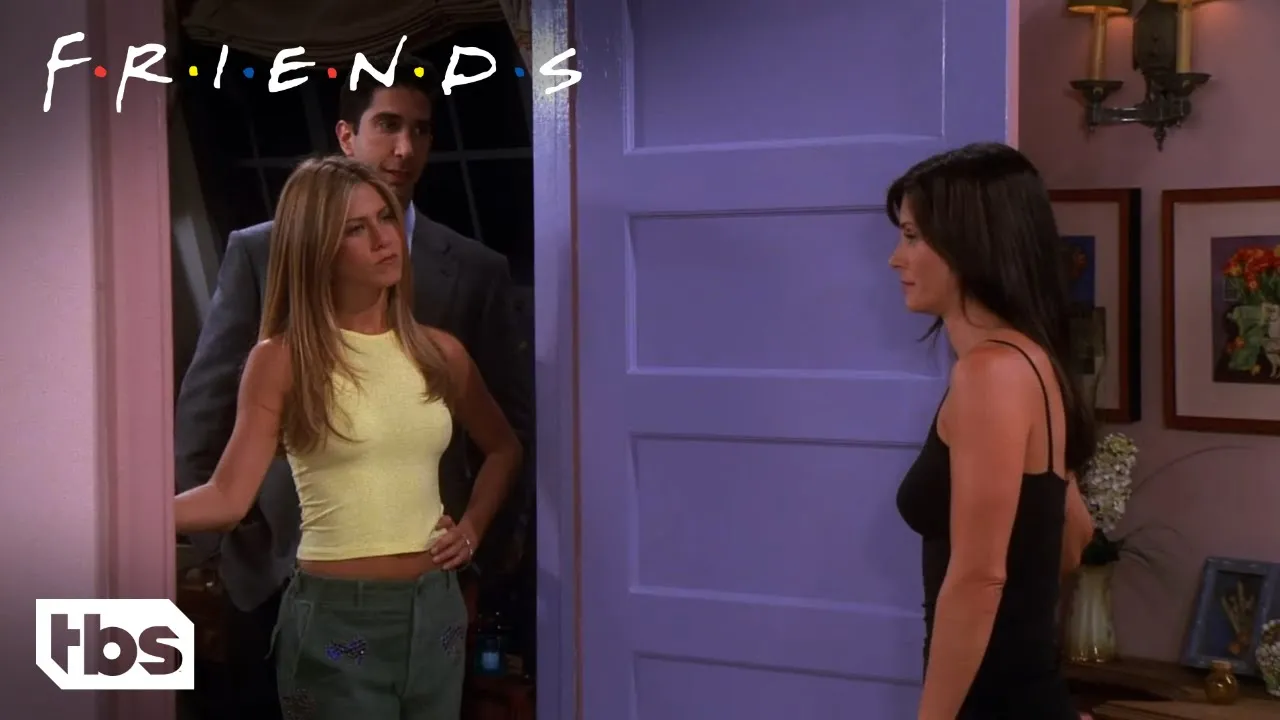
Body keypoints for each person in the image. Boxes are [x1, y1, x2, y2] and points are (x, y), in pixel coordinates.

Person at [174, 58, 531, 719]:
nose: (385, 240)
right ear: (319, 249)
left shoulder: (439, 349)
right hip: (333, 615)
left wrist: (473, 531)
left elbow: (505, 447)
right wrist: (113, 520)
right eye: (356, 229)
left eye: (385, 220)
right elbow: (225, 492)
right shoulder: (281, 358)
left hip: (436, 609)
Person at [889, 142, 1096, 720]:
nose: (896, 259)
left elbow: (979, 578)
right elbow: (1074, 534)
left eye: (912, 237)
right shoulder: (1033, 361)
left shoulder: (989, 374)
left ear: (969, 244)